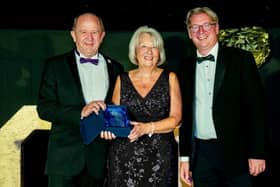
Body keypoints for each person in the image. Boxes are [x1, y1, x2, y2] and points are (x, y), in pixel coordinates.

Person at [177, 7, 266, 187]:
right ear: (189, 32)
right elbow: (185, 115)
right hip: (201, 155)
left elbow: (256, 108)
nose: (200, 32)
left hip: (237, 152)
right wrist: (185, 158)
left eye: (206, 25)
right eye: (194, 27)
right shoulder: (184, 67)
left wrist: (257, 152)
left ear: (217, 28)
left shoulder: (241, 59)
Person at [36, 12, 124, 187]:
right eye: (83, 32)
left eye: (94, 32)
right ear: (73, 35)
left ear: (102, 35)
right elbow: (45, 108)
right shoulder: (54, 66)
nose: (89, 38)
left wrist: (114, 126)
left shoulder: (116, 68)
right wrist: (80, 112)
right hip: (63, 161)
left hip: (100, 162)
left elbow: (117, 109)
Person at [101, 25, 182, 186]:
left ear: (160, 52)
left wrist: (145, 128)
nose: (149, 51)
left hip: (161, 159)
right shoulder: (121, 79)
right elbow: (113, 120)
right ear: (135, 51)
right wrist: (107, 129)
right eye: (144, 46)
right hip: (123, 159)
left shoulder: (170, 78)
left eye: (154, 47)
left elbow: (176, 119)